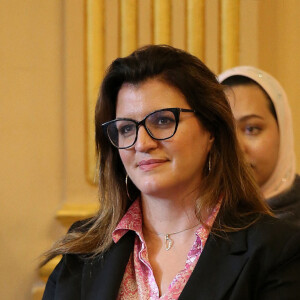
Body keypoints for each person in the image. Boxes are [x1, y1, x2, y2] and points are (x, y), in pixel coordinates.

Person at [41, 45, 300, 300]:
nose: (142, 143)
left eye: (163, 120)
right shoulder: (82, 250)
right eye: (126, 128)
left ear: (210, 129)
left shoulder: (276, 249)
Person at [219, 66, 300, 227]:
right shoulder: (195, 220)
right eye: (224, 132)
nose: (237, 148)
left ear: (282, 131)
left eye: (252, 129)